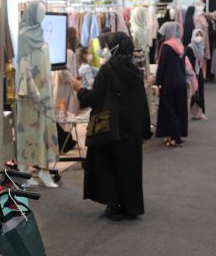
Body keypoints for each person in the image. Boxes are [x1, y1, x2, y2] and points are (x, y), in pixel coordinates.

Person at [75, 32, 151, 221]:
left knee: (110, 166)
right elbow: (142, 101)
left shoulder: (108, 70)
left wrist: (79, 89)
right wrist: (144, 130)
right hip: (131, 128)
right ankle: (131, 206)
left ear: (114, 48)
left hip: (113, 127)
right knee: (130, 168)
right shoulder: (134, 71)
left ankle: (115, 204)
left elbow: (95, 97)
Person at [155, 22, 188, 147]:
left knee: (168, 110)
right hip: (181, 81)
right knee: (178, 109)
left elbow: (162, 67)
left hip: (169, 82)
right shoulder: (180, 45)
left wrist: (158, 83)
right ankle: (174, 135)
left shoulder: (166, 46)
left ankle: (175, 137)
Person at [186, 29, 208, 120]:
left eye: (200, 35)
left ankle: (199, 112)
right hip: (191, 73)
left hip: (199, 72)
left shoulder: (202, 47)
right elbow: (188, 62)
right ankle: (191, 113)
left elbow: (201, 61)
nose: (199, 37)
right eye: (197, 35)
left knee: (200, 92)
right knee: (192, 93)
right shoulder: (189, 47)